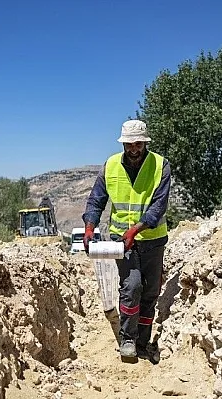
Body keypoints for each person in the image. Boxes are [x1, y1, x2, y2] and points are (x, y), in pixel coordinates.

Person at [82, 119, 171, 361]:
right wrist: (89, 226)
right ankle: (128, 339)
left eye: (138, 144)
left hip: (152, 239)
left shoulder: (160, 165)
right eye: (129, 144)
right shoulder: (110, 166)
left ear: (145, 142)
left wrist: (136, 230)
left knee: (150, 292)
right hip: (123, 242)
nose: (133, 149)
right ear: (123, 143)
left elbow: (158, 206)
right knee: (132, 287)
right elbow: (96, 200)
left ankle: (143, 341)